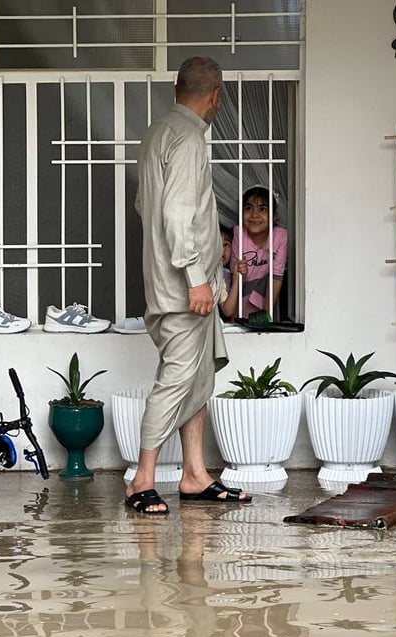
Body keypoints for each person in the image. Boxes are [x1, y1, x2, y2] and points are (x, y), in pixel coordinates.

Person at [125, 56, 252, 515]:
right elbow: (177, 213)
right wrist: (196, 277)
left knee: (197, 376)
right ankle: (141, 479)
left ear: (177, 88)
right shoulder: (189, 139)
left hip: (173, 279)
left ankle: (195, 475)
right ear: (215, 96)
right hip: (184, 289)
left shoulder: (158, 132)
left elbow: (146, 206)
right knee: (175, 379)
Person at [229, 186, 288, 320]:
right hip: (240, 297)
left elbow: (276, 277)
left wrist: (267, 317)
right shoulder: (239, 233)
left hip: (267, 298)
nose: (254, 215)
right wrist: (233, 316)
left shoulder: (280, 236)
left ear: (274, 216)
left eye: (262, 209)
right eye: (249, 208)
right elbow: (235, 277)